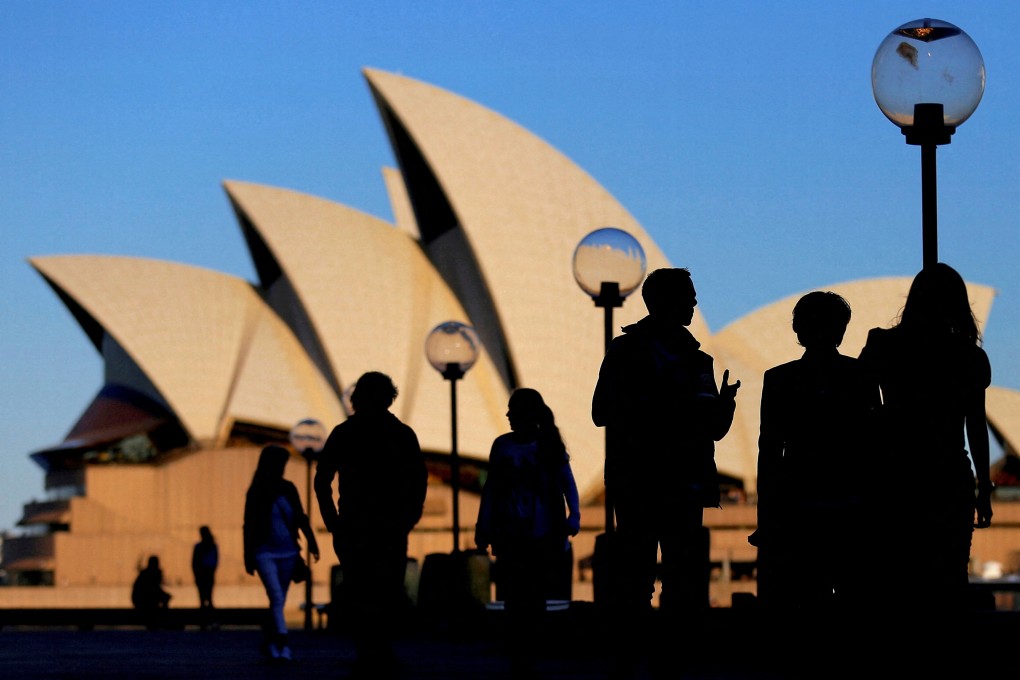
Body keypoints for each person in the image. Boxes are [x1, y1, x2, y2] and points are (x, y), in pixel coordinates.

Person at [592, 267, 740, 615]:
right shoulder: (628, 352)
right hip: (651, 481)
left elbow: (714, 427)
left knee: (674, 576)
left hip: (664, 482)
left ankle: (661, 655)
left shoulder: (695, 359)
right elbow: (601, 412)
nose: (694, 302)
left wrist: (725, 405)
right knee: (645, 576)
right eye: (687, 296)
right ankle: (645, 653)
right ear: (665, 301)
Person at [857, 262, 993, 614]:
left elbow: (856, 401)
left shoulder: (883, 343)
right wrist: (984, 488)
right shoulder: (969, 357)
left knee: (898, 576)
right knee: (948, 577)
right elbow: (975, 426)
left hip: (895, 473)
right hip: (949, 474)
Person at [749, 291, 881, 611]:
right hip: (849, 505)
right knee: (853, 598)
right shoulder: (860, 376)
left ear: (798, 329)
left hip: (800, 506)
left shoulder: (780, 379)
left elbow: (769, 451)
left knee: (806, 599)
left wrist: (766, 516)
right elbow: (877, 443)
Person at [315, 371, 428, 679]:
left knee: (361, 590)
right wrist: (409, 517)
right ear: (389, 397)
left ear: (357, 398)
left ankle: (368, 650)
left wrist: (333, 524)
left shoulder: (344, 433)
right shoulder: (402, 434)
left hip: (354, 526)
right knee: (387, 589)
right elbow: (419, 480)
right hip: (389, 527)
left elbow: (321, 481)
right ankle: (380, 648)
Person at [475, 387, 581, 677]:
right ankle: (522, 648)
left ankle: (527, 647)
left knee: (530, 592)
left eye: (514, 413)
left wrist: (574, 516)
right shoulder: (504, 446)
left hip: (540, 533)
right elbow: (492, 490)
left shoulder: (547, 446)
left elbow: (566, 482)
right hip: (512, 532)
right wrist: (483, 527)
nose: (509, 418)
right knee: (517, 591)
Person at [243, 444, 320, 662]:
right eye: (280, 463)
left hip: (288, 552)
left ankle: (270, 642)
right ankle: (284, 644)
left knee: (277, 601)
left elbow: (300, 516)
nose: (282, 468)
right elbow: (248, 525)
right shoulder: (257, 491)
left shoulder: (288, 488)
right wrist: (247, 556)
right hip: (264, 552)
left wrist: (311, 541)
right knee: (276, 597)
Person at [131, 555, 172, 629]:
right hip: (143, 599)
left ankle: (162, 619)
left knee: (163, 598)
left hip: (143, 598)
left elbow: (155, 588)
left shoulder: (146, 573)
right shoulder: (150, 573)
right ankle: (162, 619)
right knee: (161, 599)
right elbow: (152, 588)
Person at [192, 525, 219, 624]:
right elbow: (215, 561)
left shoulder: (201, 547)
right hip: (206, 574)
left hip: (204, 574)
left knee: (204, 599)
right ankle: (208, 621)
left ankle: (205, 621)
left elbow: (194, 562)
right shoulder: (211, 546)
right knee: (207, 598)